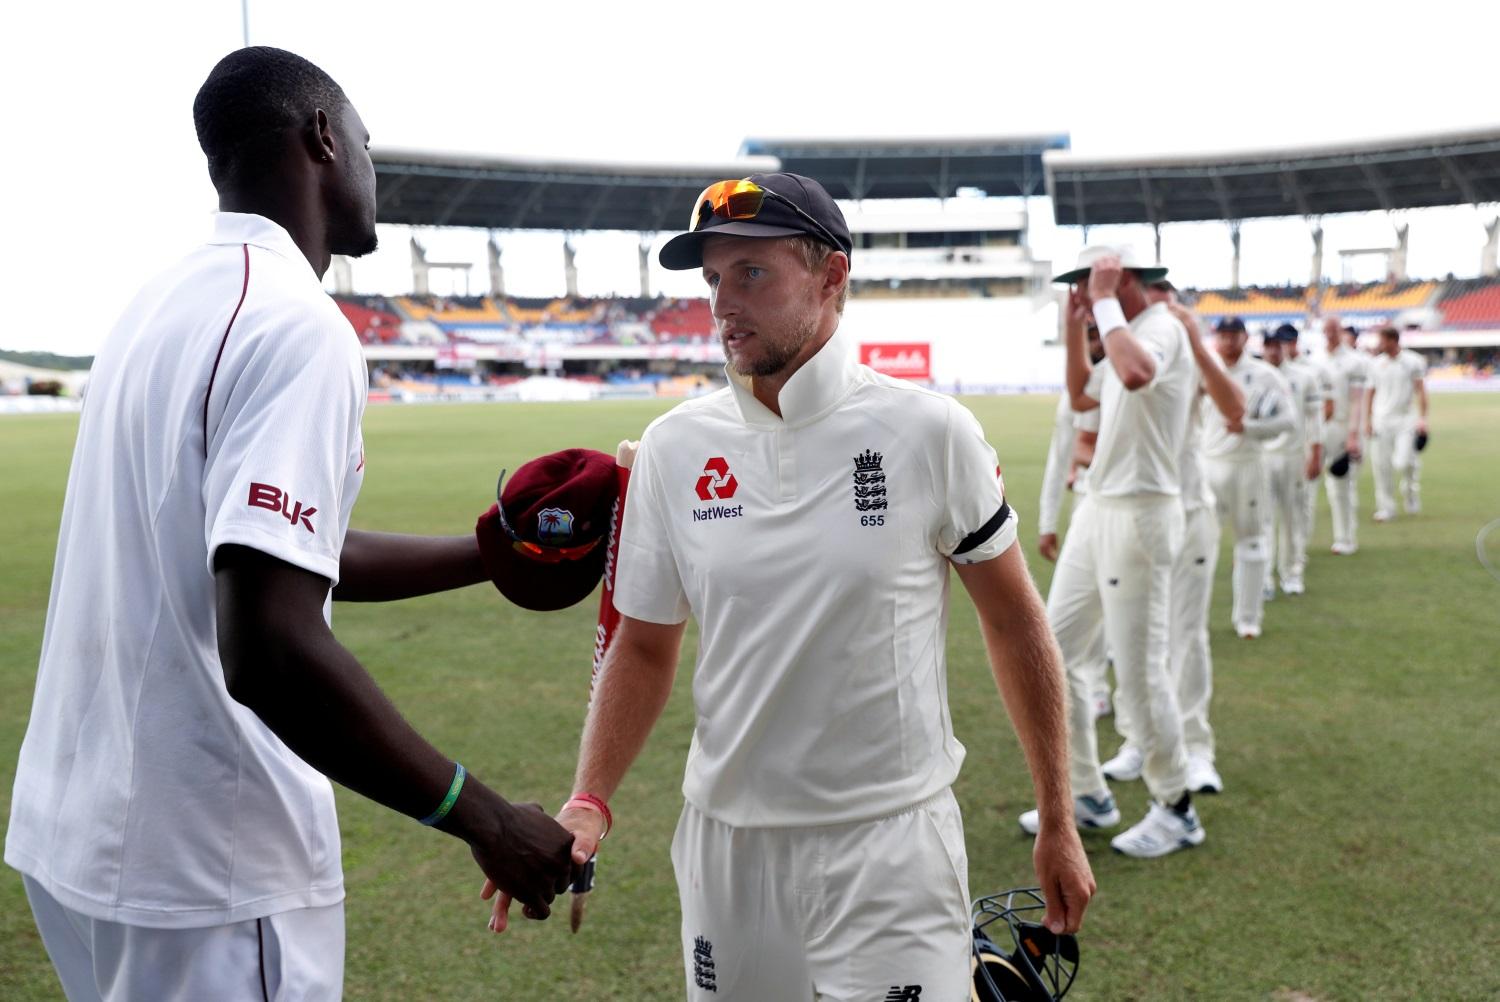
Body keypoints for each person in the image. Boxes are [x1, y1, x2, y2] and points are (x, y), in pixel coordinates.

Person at [5, 47, 582, 1002]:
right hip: (210, 868)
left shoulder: (157, 306)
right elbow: (268, 642)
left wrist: (487, 556)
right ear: (321, 136)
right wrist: (482, 815)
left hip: (80, 837)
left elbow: (270, 555)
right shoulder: (295, 324)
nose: (370, 165)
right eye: (364, 140)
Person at [490, 173, 1095, 1000]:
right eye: (712, 282)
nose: (722, 306)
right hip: (727, 850)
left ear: (831, 276)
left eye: (752, 274)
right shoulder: (674, 447)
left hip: (892, 844)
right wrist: (589, 797)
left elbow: (1015, 624)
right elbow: (642, 643)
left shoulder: (930, 432)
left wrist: (1057, 817)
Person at [1024, 246, 1204, 859]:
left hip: (1143, 512)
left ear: (1118, 279)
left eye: (1086, 282)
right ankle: (1089, 794)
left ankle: (1176, 806)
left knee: (1138, 671)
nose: (1080, 293)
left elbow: (1133, 374)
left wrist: (1103, 302)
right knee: (1054, 652)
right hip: (1099, 506)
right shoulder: (1118, 327)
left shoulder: (1161, 327)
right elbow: (1082, 396)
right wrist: (1079, 325)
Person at [1103, 294, 1245, 796]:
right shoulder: (1125, 350)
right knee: (1133, 636)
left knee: (1185, 632)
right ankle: (1139, 740)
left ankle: (1197, 748)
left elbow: (1235, 409)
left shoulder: (1181, 352)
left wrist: (1197, 343)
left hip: (1188, 509)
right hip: (1135, 510)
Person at [1200, 317, 1293, 639]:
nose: (1228, 341)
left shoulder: (1265, 375)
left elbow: (1287, 421)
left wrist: (1249, 429)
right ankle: (1195, 619)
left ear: (1244, 337)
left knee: (1252, 540)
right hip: (1208, 465)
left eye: (1234, 335)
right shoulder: (1203, 371)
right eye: (1222, 335)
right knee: (1199, 546)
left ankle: (1248, 618)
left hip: (1248, 465)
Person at [1039, 323, 1112, 720]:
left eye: (1101, 335)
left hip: (1129, 505)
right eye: (1089, 336)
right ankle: (1093, 687)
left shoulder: (1121, 379)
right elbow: (1059, 457)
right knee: (1087, 604)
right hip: (1086, 504)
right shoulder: (1073, 396)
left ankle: (1103, 686)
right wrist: (1047, 522)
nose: (1096, 343)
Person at [1261, 324, 1324, 594]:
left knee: (1291, 518)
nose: (1275, 350)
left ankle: (1291, 573)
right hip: (1261, 458)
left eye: (1280, 345)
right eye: (1270, 345)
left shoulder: (1304, 377)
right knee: (1262, 520)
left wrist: (1315, 454)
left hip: (1292, 456)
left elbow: (1315, 419)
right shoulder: (1255, 376)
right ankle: (1263, 577)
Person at [1317, 316, 1371, 555]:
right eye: (1326, 329)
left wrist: (1353, 435)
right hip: (1319, 427)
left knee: (1341, 484)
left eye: (1333, 329)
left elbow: (1358, 401)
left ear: (1340, 331)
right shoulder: (1315, 359)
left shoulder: (1354, 362)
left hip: (1343, 426)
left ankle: (1345, 538)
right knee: (1311, 486)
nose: (1329, 333)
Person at [1367, 326, 1429, 520]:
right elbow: (1370, 393)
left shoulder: (1413, 361)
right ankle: (1386, 508)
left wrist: (1423, 419)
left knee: (1403, 461)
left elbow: (1421, 391)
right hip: (1381, 420)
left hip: (1405, 419)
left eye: (1382, 340)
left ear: (1393, 340)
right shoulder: (1375, 364)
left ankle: (1410, 493)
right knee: (1381, 465)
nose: (1380, 344)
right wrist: (1367, 420)